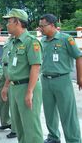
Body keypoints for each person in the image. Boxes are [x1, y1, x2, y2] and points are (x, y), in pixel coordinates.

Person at [1, 8, 43, 143]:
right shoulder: (14, 42)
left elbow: (35, 67)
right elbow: (13, 67)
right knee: (19, 126)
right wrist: (6, 86)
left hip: (27, 87)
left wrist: (30, 92)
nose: (6, 25)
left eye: (9, 21)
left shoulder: (31, 41)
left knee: (31, 126)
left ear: (17, 22)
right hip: (14, 88)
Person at [39, 14, 82, 143]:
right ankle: (53, 137)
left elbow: (78, 57)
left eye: (43, 26)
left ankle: (73, 139)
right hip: (45, 80)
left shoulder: (66, 39)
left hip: (62, 80)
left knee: (67, 113)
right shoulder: (43, 41)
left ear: (52, 25)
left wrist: (80, 78)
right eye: (40, 26)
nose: (40, 29)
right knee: (49, 112)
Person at [0, 37, 17, 139]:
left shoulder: (19, 40)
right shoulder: (8, 40)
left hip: (12, 68)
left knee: (12, 99)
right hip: (3, 68)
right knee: (0, 96)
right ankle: (5, 122)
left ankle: (15, 128)